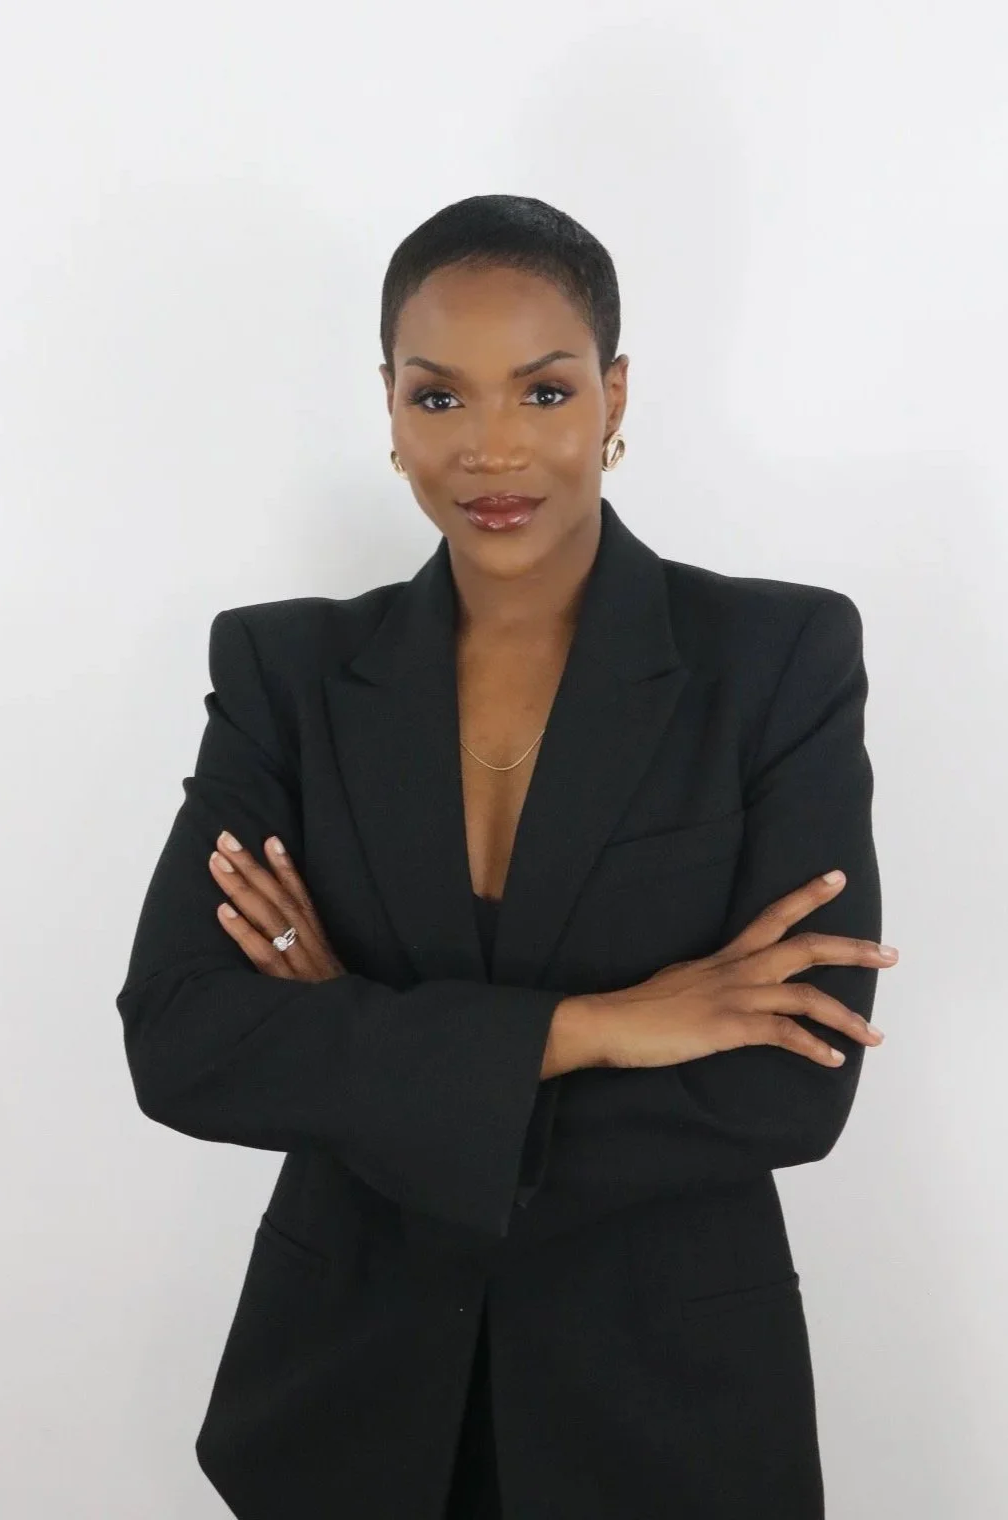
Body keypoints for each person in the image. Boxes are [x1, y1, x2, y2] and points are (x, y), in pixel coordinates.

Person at [116, 193, 896, 1519]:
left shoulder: (774, 662)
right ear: (389, 406)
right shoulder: (285, 673)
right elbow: (183, 1040)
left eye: (543, 391)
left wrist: (366, 1053)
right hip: (342, 1410)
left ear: (613, 395)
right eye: (439, 397)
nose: (491, 448)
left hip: (668, 1418)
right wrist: (599, 1027)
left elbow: (788, 1088)